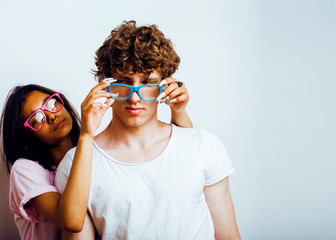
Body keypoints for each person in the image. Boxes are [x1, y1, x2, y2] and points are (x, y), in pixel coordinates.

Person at [56, 20, 240, 240]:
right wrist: (87, 132)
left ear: (165, 84)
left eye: (147, 82)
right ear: (105, 85)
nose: (135, 97)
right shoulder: (76, 164)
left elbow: (228, 235)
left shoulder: (204, 145)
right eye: (123, 82)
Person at [0, 80, 192, 239]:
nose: (51, 116)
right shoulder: (24, 169)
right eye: (36, 119)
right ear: (26, 135)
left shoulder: (93, 152)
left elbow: (191, 160)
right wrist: (87, 134)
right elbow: (72, 221)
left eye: (51, 103)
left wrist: (179, 110)